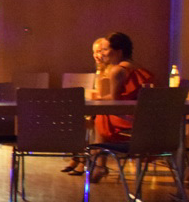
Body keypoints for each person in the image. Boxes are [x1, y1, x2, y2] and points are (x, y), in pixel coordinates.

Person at [90, 31, 154, 182]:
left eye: (105, 49)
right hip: (149, 122)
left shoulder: (118, 70)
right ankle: (98, 164)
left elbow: (115, 99)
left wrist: (98, 99)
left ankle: (100, 164)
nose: (102, 53)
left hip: (132, 121)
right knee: (102, 117)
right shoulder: (138, 67)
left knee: (101, 117)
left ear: (118, 51)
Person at [63, 35, 110, 173]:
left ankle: (82, 159)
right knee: (72, 119)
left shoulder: (111, 71)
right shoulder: (100, 70)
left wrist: (90, 94)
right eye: (94, 52)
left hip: (104, 111)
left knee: (76, 121)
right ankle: (78, 157)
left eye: (100, 51)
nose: (97, 55)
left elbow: (103, 94)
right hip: (97, 108)